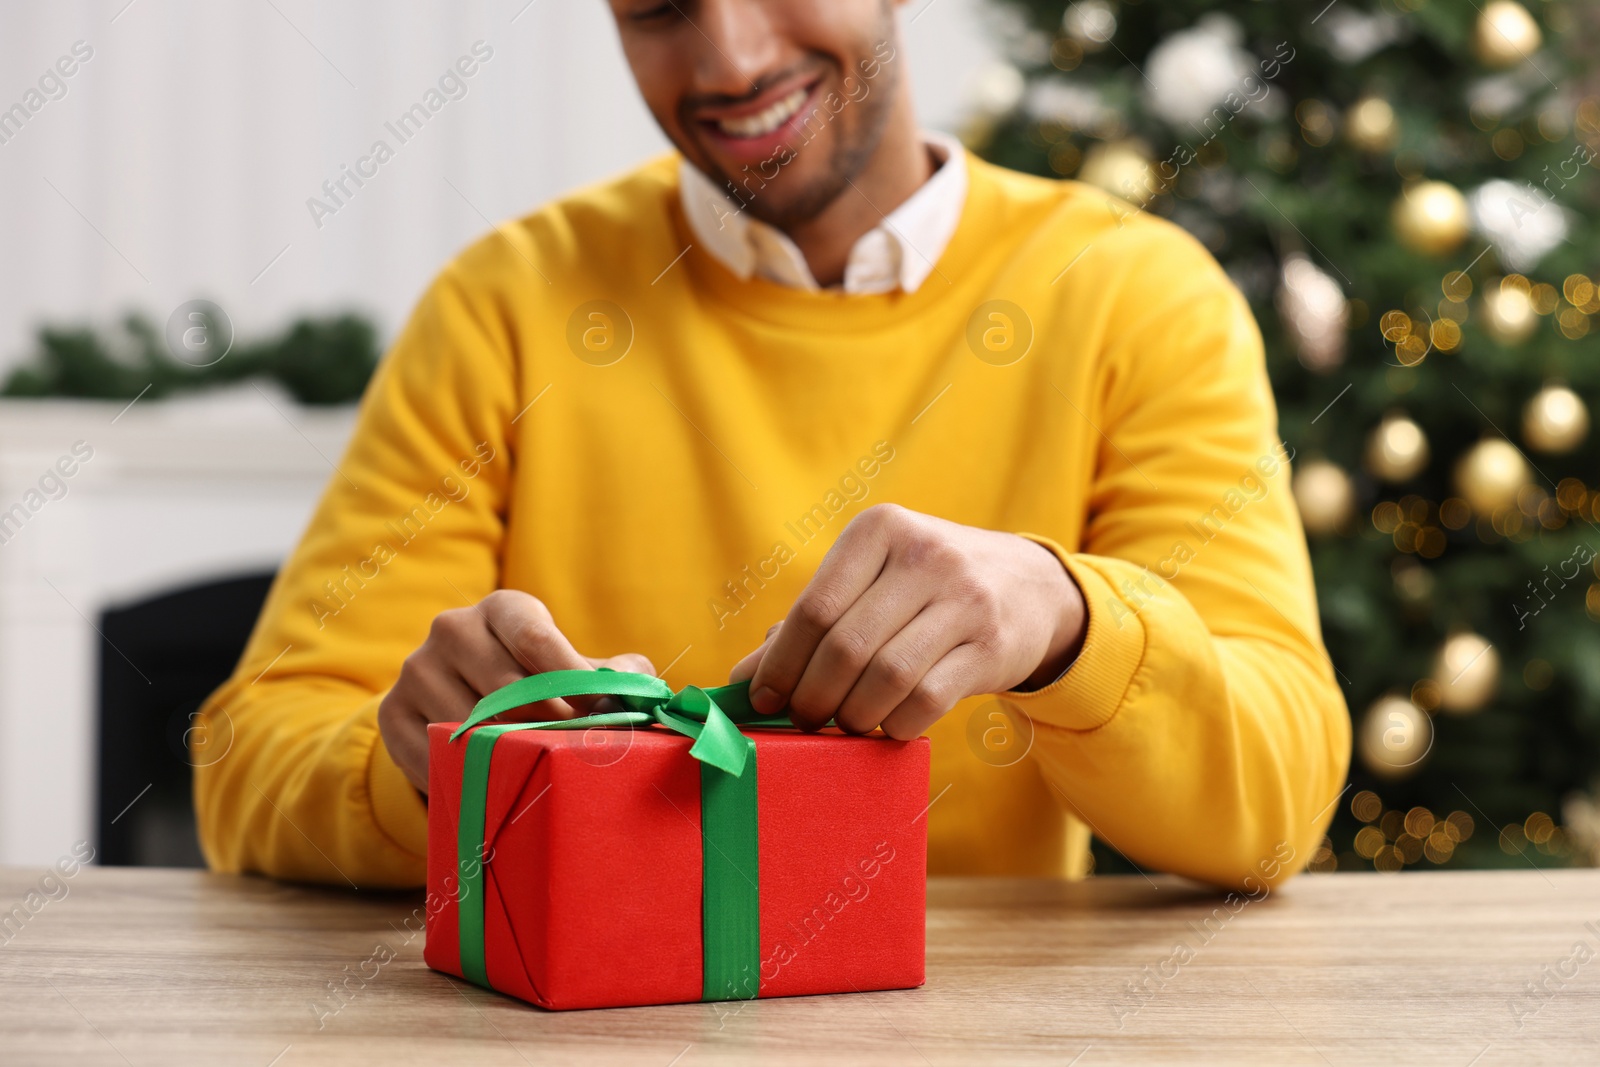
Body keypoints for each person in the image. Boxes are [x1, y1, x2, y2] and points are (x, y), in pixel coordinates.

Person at [194, 0, 1349, 890]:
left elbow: (1276, 796)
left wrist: (1066, 621)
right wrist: (432, 769)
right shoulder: (507, 305)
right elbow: (250, 759)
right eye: (658, 9)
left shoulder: (1135, 297)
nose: (731, 61)